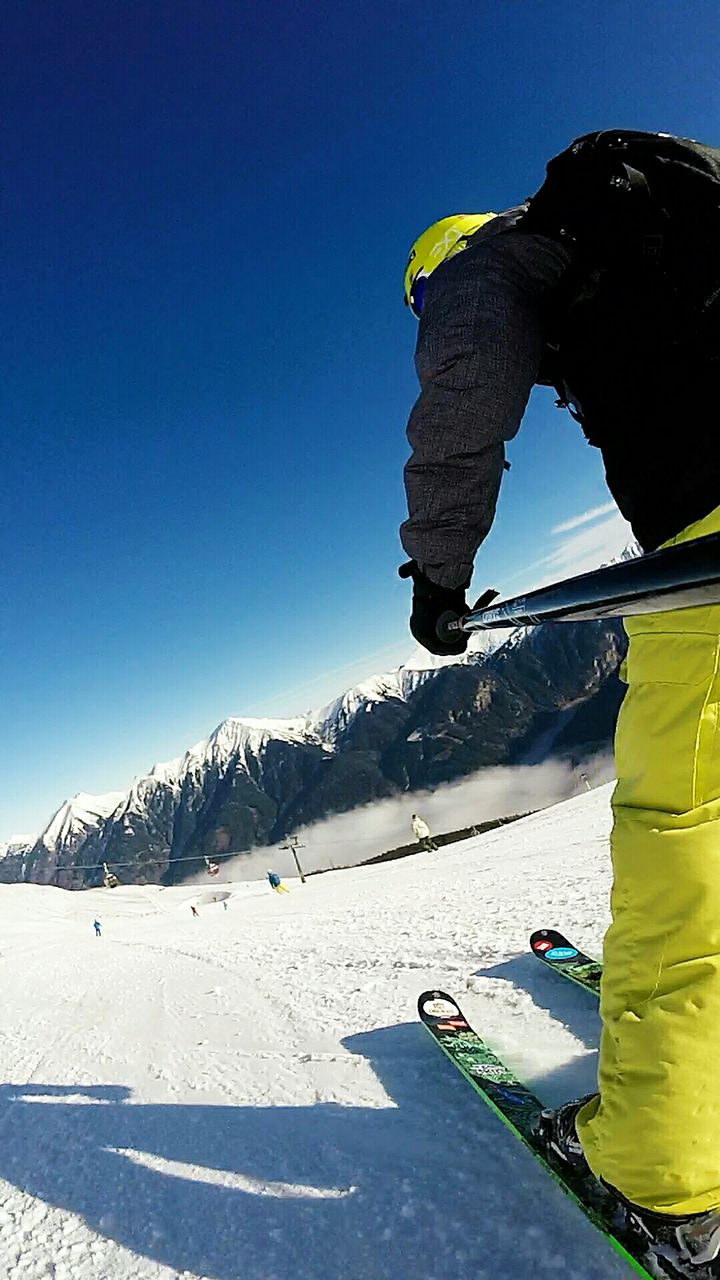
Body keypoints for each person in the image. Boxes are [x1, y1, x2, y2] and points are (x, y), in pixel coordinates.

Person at [399, 131, 720, 1270]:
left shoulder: (481, 267)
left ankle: (660, 1170)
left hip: (708, 544)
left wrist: (440, 580)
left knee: (687, 847)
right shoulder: (662, 217)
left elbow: (467, 391)